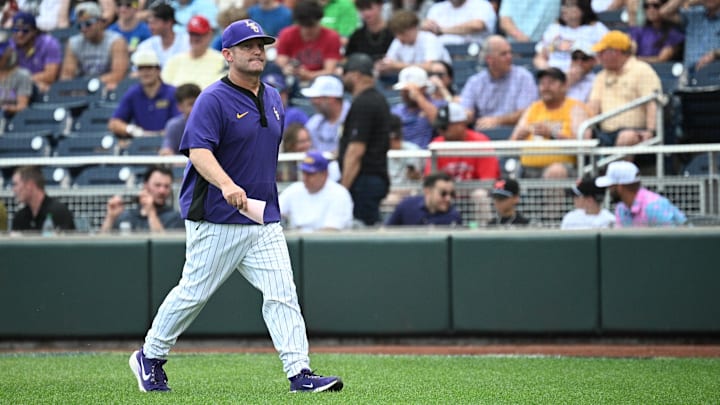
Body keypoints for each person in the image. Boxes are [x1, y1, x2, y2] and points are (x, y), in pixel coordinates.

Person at [128, 19, 344, 393]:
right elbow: (197, 151)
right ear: (228, 54)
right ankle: (150, 354)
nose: (258, 51)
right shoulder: (213, 98)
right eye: (248, 46)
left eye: (261, 44)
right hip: (217, 213)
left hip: (261, 216)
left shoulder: (274, 96)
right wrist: (227, 184)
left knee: (282, 292)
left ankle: (299, 373)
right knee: (193, 292)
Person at [510, 67, 592, 179]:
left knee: (555, 172)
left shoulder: (576, 108)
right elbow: (511, 142)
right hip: (528, 169)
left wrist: (553, 135)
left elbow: (585, 147)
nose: (545, 87)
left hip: (565, 170)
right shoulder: (533, 108)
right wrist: (520, 136)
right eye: (542, 83)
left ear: (564, 86)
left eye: (551, 83)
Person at [339, 52, 391, 226]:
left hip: (364, 181)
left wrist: (343, 189)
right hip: (372, 179)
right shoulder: (377, 99)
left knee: (363, 233)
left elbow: (356, 151)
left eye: (345, 74)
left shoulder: (365, 103)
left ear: (355, 75)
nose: (343, 79)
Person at [588, 30, 662, 147]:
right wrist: (586, 127)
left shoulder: (642, 70)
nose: (599, 57)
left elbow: (652, 103)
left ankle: (618, 165)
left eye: (602, 52)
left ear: (616, 52)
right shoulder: (601, 76)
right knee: (584, 133)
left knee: (626, 137)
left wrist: (650, 131)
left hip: (635, 131)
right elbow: (594, 105)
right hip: (604, 132)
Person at [460, 35, 538, 130]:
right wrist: (465, 114)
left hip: (516, 133)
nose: (509, 57)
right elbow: (466, 111)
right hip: (483, 134)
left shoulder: (523, 77)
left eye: (510, 53)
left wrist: (498, 120)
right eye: (503, 54)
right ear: (489, 59)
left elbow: (527, 112)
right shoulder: (475, 82)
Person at [109, 50, 179, 139]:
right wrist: (132, 130)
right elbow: (114, 123)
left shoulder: (172, 93)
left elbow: (180, 122)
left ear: (158, 70)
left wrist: (162, 135)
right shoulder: (133, 93)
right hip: (140, 144)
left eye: (149, 68)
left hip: (168, 143)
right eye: (141, 68)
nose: (145, 72)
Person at [60, 2, 128, 91]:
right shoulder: (73, 42)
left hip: (107, 89)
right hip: (83, 90)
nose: (84, 29)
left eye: (88, 24)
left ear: (99, 22)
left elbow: (118, 74)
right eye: (80, 25)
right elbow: (67, 75)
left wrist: (89, 85)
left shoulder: (116, 41)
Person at [278, 150, 354, 231]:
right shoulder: (294, 189)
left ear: (324, 174)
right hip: (296, 239)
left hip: (325, 242)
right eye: (304, 173)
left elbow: (331, 231)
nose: (305, 178)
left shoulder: (340, 194)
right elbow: (274, 212)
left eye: (310, 174)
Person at [595, 160, 687, 227]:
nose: (608, 189)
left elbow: (675, 243)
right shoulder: (621, 209)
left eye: (611, 186)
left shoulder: (654, 207)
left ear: (620, 187)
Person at [427, 102, 500, 180]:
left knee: (480, 193)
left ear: (461, 124)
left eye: (444, 127)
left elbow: (488, 180)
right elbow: (430, 181)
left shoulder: (480, 143)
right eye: (439, 127)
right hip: (447, 191)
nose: (441, 131)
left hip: (476, 190)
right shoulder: (437, 144)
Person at [275, 0, 342, 83]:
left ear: (319, 20)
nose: (307, 30)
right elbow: (280, 63)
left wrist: (309, 75)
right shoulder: (287, 34)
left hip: (320, 82)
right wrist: (287, 69)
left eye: (311, 25)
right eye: (304, 25)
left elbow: (330, 70)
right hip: (293, 80)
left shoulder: (331, 37)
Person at [101, 166, 183, 233]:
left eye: (166, 186)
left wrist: (151, 213)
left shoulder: (175, 218)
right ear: (145, 185)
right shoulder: (126, 216)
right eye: (157, 185)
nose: (162, 191)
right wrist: (110, 217)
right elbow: (101, 247)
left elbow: (164, 248)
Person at [533, 0, 608, 72]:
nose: (564, 9)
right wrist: (550, 72)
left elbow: (605, 58)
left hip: (584, 76)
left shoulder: (597, 28)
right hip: (555, 76)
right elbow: (539, 58)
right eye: (564, 5)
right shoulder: (554, 28)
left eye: (569, 5)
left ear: (583, 8)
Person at [378, 10, 451, 76]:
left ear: (413, 28)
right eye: (396, 34)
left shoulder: (430, 39)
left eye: (402, 33)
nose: (400, 38)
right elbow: (388, 61)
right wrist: (382, 66)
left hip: (435, 80)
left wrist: (397, 65)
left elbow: (430, 67)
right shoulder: (398, 41)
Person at [161, 15, 226, 89]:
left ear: (209, 35)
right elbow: (164, 89)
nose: (195, 38)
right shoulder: (174, 61)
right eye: (192, 34)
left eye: (199, 34)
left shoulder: (221, 60)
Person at [8, 11, 62, 94]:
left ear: (34, 31)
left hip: (46, 90)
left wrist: (24, 81)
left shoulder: (48, 43)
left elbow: (50, 75)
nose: (20, 34)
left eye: (25, 30)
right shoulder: (10, 46)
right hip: (20, 89)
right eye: (16, 29)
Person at [391, 65, 443, 149]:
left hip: (428, 157)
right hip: (403, 157)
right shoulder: (396, 111)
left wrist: (418, 96)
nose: (405, 94)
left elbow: (439, 123)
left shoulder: (438, 105)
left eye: (408, 91)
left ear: (424, 88)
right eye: (403, 90)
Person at [660, 0, 720, 72]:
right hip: (690, 74)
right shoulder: (694, 13)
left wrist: (715, 54)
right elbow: (664, 12)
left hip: (716, 73)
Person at [10, 166, 75, 232]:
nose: (14, 190)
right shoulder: (20, 218)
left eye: (16, 184)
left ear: (30, 185)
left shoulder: (59, 213)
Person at [385, 171, 463, 226]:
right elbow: (387, 231)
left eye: (451, 194)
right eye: (443, 193)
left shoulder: (454, 217)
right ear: (427, 191)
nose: (448, 198)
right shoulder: (406, 205)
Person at [300, 74, 350, 154]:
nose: (313, 102)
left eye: (317, 98)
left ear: (331, 98)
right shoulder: (315, 121)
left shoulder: (353, 116)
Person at [135, 2, 190, 68]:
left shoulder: (187, 42)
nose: (151, 27)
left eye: (155, 22)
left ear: (169, 22)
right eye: (149, 23)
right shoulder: (145, 46)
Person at [421, 0, 497, 46]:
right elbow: (427, 30)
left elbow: (477, 25)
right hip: (440, 56)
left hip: (471, 54)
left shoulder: (482, 5)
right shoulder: (436, 8)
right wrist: (424, 27)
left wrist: (441, 30)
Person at [159, 82, 201, 155]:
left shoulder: (212, 123)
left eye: (198, 103)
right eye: (191, 104)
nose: (195, 108)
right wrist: (166, 152)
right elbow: (167, 149)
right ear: (180, 107)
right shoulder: (173, 126)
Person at [0, 36, 32, 118]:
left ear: (9, 53)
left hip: (10, 120)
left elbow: (22, 106)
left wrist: (7, 108)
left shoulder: (22, 75)